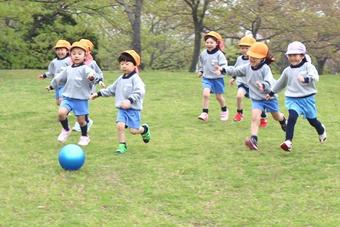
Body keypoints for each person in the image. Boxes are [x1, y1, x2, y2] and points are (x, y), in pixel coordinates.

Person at [221, 42, 287, 150]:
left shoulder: (265, 68)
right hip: (257, 99)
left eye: (256, 57)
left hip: (269, 97)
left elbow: (269, 81)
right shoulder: (247, 67)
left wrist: (263, 86)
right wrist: (224, 69)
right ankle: (254, 140)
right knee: (255, 118)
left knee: (276, 116)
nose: (252, 59)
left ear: (262, 58)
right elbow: (236, 70)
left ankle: (283, 120)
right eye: (251, 56)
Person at [266, 41, 326, 151]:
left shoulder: (308, 66)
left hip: (307, 99)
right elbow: (280, 83)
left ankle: (321, 130)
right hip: (292, 99)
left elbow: (315, 76)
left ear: (302, 55)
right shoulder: (287, 71)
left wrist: (306, 79)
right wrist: (271, 93)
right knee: (292, 117)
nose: (292, 57)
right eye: (290, 55)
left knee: (312, 121)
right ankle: (288, 142)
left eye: (295, 55)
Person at [90, 50, 151, 154]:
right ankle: (122, 145)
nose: (124, 66)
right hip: (122, 109)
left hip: (133, 109)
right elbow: (111, 90)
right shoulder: (120, 79)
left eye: (127, 64)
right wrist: (98, 94)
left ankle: (144, 130)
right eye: (122, 64)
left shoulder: (135, 79)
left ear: (134, 65)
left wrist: (130, 100)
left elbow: (140, 91)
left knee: (133, 131)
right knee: (120, 125)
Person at [47, 41, 97, 146]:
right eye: (74, 53)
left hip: (80, 100)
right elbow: (58, 78)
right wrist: (52, 86)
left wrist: (92, 77)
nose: (76, 56)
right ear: (70, 56)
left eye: (79, 53)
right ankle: (66, 129)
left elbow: (92, 74)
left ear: (85, 56)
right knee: (61, 114)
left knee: (81, 121)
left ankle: (84, 136)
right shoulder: (68, 69)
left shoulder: (85, 69)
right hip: (68, 98)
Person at [229, 36, 269, 127]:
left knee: (258, 103)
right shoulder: (239, 59)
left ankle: (263, 116)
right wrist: (233, 77)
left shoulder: (257, 60)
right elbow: (236, 69)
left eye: (247, 48)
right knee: (239, 96)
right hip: (243, 83)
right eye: (242, 48)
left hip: (254, 86)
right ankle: (239, 113)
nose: (244, 50)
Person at [72, 38, 105, 132]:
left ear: (89, 51)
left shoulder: (92, 63)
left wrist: (100, 81)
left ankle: (80, 123)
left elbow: (98, 73)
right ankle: (86, 121)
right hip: (77, 88)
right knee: (76, 105)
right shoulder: (76, 62)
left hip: (88, 89)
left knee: (81, 105)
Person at [197, 31, 229, 122]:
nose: (209, 44)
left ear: (216, 43)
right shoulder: (203, 53)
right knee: (206, 94)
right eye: (207, 42)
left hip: (217, 79)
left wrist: (221, 70)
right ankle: (205, 113)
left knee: (218, 97)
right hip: (207, 78)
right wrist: (201, 71)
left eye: (211, 42)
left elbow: (224, 65)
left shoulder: (219, 54)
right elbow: (202, 64)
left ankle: (224, 110)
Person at [38, 40, 71, 105]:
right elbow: (51, 72)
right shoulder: (54, 62)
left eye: (62, 50)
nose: (60, 52)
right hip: (57, 84)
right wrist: (44, 75)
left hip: (66, 84)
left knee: (62, 99)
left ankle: (65, 112)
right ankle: (67, 109)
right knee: (58, 102)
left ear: (67, 51)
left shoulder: (69, 60)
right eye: (58, 50)